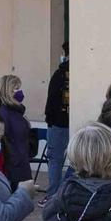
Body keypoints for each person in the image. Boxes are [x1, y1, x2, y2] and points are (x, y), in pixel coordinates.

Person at [0, 74, 34, 188]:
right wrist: (15, 160)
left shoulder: (17, 111)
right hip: (13, 167)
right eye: (16, 88)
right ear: (8, 91)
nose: (20, 92)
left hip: (22, 162)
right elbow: (3, 140)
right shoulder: (4, 113)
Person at [43, 48, 69, 190]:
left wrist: (50, 120)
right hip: (74, 122)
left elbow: (51, 100)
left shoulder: (59, 74)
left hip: (58, 124)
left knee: (55, 161)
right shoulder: (83, 72)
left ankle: (53, 194)